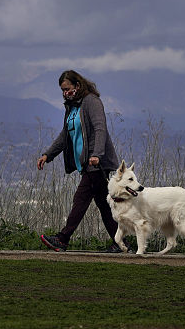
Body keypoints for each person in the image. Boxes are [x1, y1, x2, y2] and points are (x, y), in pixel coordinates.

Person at [36, 69, 122, 252]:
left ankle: (63, 238)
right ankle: (122, 243)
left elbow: (100, 128)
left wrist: (97, 154)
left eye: (68, 89)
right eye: (62, 90)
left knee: (80, 200)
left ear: (77, 85)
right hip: (86, 164)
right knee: (105, 206)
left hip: (96, 164)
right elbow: (65, 135)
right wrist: (47, 155)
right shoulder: (72, 107)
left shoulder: (91, 101)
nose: (65, 93)